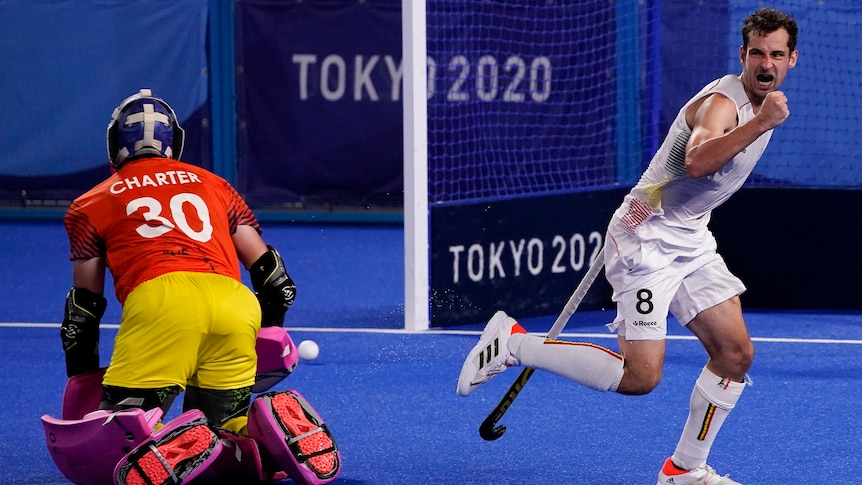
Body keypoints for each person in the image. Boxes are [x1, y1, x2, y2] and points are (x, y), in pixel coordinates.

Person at [457, 8, 798, 485]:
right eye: (757, 53)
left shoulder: (761, 104)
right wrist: (761, 123)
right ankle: (513, 343)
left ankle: (684, 470)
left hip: (690, 236)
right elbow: (698, 161)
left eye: (776, 55)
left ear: (791, 60)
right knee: (640, 378)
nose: (766, 63)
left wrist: (762, 120)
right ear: (743, 55)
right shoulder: (723, 104)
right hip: (645, 239)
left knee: (735, 355)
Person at [58, 89, 339, 484]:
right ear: (175, 143)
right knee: (228, 431)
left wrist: (85, 380)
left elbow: (83, 310)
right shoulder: (217, 185)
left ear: (114, 146)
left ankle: (157, 438)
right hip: (235, 304)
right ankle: (261, 439)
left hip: (161, 301)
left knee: (117, 438)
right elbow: (276, 281)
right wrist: (270, 329)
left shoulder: (88, 204)